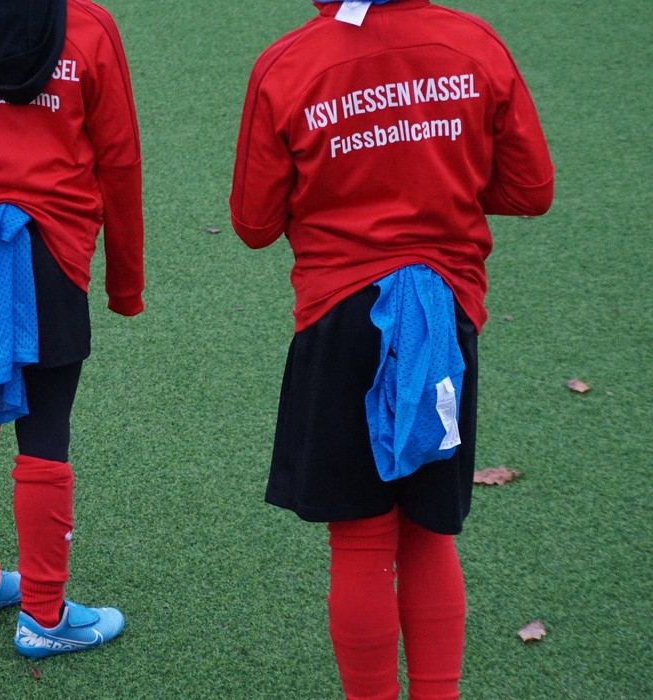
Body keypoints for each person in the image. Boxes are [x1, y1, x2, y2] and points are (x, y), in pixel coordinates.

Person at [229, 1, 553, 697]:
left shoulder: (288, 63)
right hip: (444, 316)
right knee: (429, 532)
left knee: (360, 537)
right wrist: (439, 181)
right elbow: (531, 189)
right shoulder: (474, 44)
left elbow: (254, 223)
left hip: (339, 318)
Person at [0, 0, 144, 659]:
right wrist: (125, 285)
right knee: (44, 429)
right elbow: (120, 161)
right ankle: (44, 615)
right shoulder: (89, 26)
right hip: (55, 253)